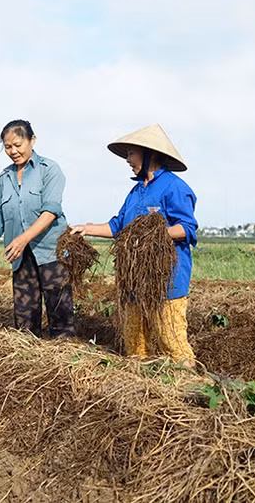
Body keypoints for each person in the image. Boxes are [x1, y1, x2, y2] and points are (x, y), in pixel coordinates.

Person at [71, 124, 197, 366]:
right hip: (133, 282)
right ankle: (142, 390)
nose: (127, 159)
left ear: (150, 153)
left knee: (172, 343)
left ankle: (187, 388)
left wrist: (152, 237)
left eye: (131, 153)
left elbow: (186, 228)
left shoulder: (174, 187)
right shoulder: (136, 191)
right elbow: (118, 225)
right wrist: (86, 229)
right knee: (135, 343)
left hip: (165, 281)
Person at [0, 120, 75, 338]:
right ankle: (30, 363)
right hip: (20, 257)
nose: (13, 151)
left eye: (18, 144)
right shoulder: (4, 179)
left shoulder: (49, 170)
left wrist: (23, 239)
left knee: (60, 316)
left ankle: (65, 362)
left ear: (32, 140)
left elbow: (50, 212)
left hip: (52, 253)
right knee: (24, 322)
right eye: (7, 147)